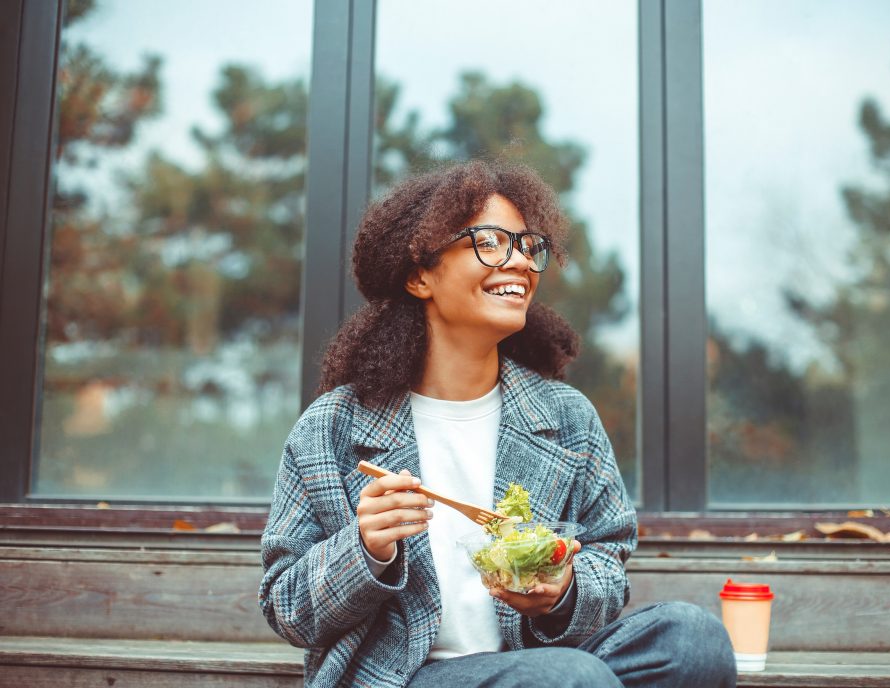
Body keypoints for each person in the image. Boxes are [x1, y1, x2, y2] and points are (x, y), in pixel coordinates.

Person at [258, 160, 737, 688]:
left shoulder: (565, 416)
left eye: (529, 246)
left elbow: (608, 560)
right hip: (406, 677)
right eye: (490, 241)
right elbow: (287, 608)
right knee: (568, 679)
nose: (520, 263)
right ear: (420, 276)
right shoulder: (335, 426)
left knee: (693, 640)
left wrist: (563, 590)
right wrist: (365, 548)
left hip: (543, 664)